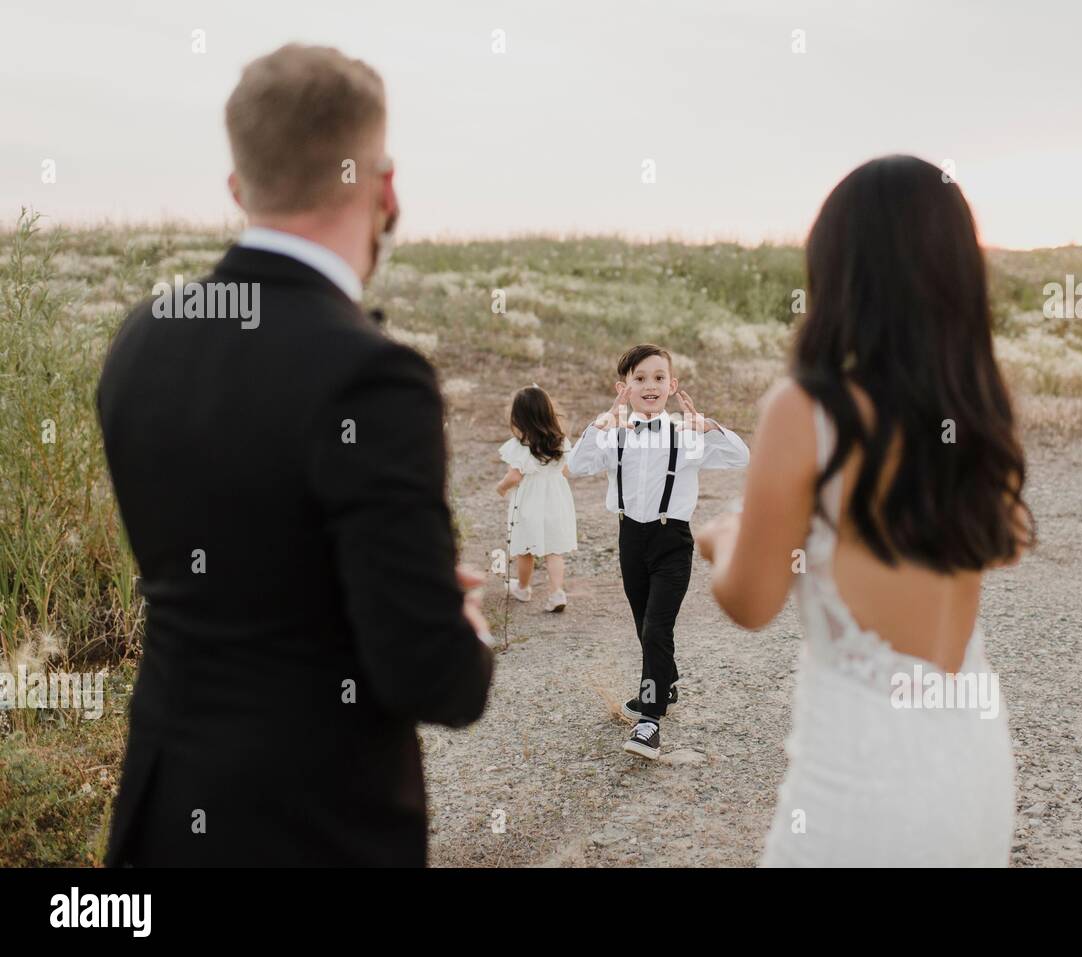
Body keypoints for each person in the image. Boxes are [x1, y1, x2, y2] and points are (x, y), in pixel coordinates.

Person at [96, 44, 493, 866]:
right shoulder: (372, 375)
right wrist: (450, 620)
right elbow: (432, 678)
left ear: (241, 188)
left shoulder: (143, 338)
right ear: (384, 186)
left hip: (159, 813)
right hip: (312, 826)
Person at [697, 155, 1034, 865]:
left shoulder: (808, 410)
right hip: (974, 763)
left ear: (839, 271)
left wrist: (723, 538)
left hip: (867, 781)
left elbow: (751, 601)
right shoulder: (973, 403)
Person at [568, 344, 749, 759]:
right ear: (624, 387)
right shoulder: (614, 433)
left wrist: (708, 426)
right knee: (642, 622)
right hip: (630, 538)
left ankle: (649, 721)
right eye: (640, 379)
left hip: (673, 542)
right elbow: (577, 466)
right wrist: (601, 423)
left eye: (658, 378)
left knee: (656, 627)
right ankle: (665, 681)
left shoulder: (686, 435)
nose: (650, 385)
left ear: (672, 385)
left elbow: (741, 457)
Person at [496, 385, 577, 613]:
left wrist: (501, 488)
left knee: (526, 548)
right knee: (554, 549)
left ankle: (523, 588)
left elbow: (514, 475)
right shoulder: (560, 441)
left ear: (519, 418)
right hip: (556, 498)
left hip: (529, 501)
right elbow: (565, 471)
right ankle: (557, 592)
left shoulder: (521, 446)